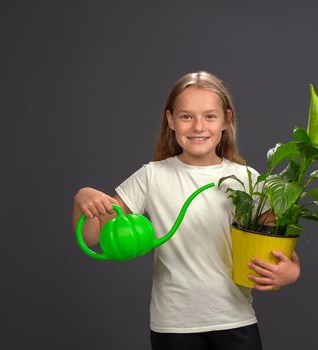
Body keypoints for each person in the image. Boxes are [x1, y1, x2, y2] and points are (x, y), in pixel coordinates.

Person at [72, 71, 300, 350]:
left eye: (210, 116)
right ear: (171, 120)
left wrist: (292, 271)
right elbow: (92, 235)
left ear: (226, 120)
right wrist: (82, 199)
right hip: (173, 326)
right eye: (186, 116)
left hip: (235, 320)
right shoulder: (151, 176)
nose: (198, 126)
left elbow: (276, 247)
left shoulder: (247, 179)